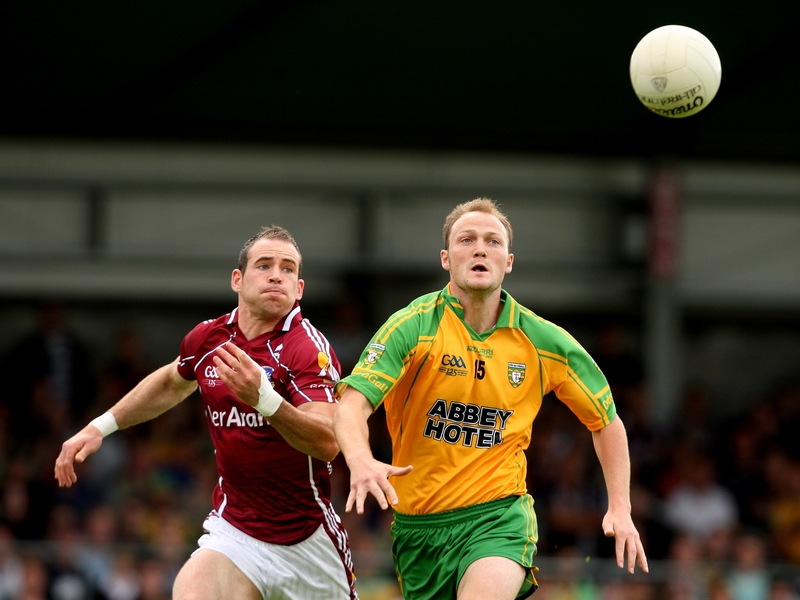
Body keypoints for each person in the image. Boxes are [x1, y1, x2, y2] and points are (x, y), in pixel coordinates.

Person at [332, 198, 648, 600]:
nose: (480, 248)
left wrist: (620, 506)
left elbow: (606, 421)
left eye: (492, 241)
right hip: (417, 530)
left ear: (508, 261)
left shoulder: (543, 341)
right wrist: (359, 460)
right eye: (467, 240)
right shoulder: (412, 326)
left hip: (497, 517)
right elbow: (351, 406)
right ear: (446, 258)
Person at [55, 225, 358, 600]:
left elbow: (327, 442)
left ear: (299, 289)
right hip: (236, 532)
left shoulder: (306, 348)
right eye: (264, 265)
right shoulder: (209, 337)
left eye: (288, 268)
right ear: (238, 279)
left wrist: (264, 400)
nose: (277, 274)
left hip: (306, 540)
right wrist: (99, 427)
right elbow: (171, 381)